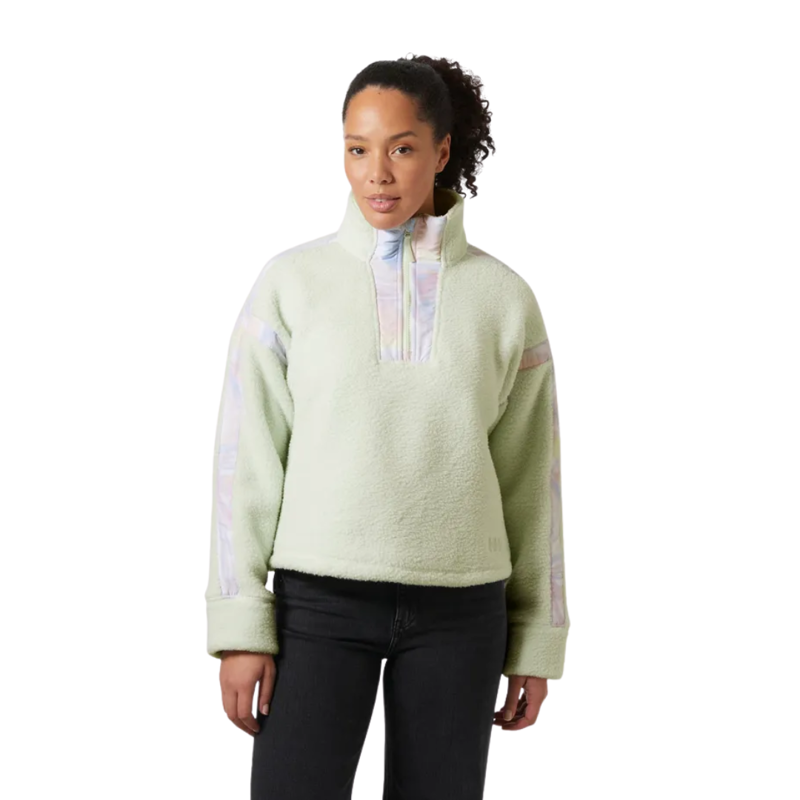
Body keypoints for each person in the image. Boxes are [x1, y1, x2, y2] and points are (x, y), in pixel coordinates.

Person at [205, 54, 571, 800]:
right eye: (357, 148)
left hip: (463, 609)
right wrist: (241, 625)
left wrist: (537, 635)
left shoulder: (505, 300)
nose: (376, 173)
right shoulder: (291, 285)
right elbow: (246, 463)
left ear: (441, 151)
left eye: (401, 148)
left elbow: (533, 479)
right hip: (317, 604)